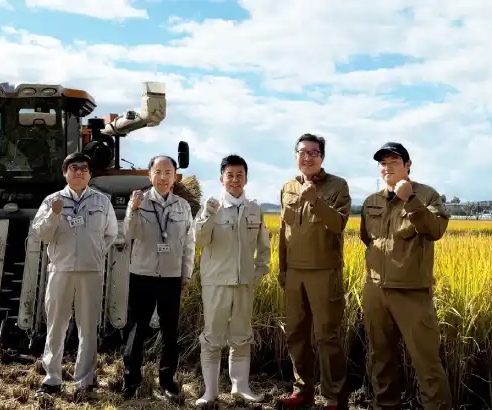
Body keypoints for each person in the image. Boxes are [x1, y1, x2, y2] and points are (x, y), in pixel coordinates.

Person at [359, 142, 452, 410]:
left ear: (408, 166)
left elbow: (435, 229)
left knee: (426, 361)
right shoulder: (371, 202)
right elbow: (368, 240)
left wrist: (410, 199)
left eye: (394, 162)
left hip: (412, 292)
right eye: (383, 163)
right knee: (380, 358)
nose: (387, 167)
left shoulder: (427, 195)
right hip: (376, 291)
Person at [30, 152, 118, 397]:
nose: (79, 172)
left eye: (84, 168)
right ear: (65, 173)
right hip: (61, 270)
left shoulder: (102, 201)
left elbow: (111, 233)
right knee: (56, 326)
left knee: (88, 327)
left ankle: (85, 380)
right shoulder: (52, 200)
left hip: (91, 271)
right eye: (74, 168)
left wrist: (98, 251)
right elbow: (40, 234)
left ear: (89, 174)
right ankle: (52, 379)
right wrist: (54, 214)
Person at [277, 133, 351, 409]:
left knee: (327, 336)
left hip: (324, 272)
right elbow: (284, 231)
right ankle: (303, 391)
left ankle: (334, 397)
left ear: (322, 157)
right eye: (302, 152)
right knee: (296, 333)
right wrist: (282, 269)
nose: (307, 157)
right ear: (295, 155)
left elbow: (339, 224)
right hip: (295, 273)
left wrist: (316, 200)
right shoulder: (287, 187)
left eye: (314, 153)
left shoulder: (337, 185)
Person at [192, 154, 271, 406]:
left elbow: (264, 247)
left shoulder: (254, 209)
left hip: (244, 283)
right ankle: (210, 392)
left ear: (246, 178)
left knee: (241, 336)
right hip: (216, 282)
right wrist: (207, 214)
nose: (235, 180)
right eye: (230, 175)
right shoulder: (212, 207)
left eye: (239, 175)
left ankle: (241, 388)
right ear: (221, 178)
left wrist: (258, 272)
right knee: (213, 337)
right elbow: (199, 240)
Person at [121, 155, 196, 400]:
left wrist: (186, 272)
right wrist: (132, 209)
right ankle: (131, 381)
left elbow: (188, 243)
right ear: (149, 175)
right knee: (137, 330)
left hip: (171, 276)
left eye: (168, 172)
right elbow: (129, 232)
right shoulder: (140, 201)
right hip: (143, 273)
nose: (163, 177)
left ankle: (167, 381)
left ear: (175, 176)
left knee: (169, 331)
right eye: (158, 172)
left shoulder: (182, 206)